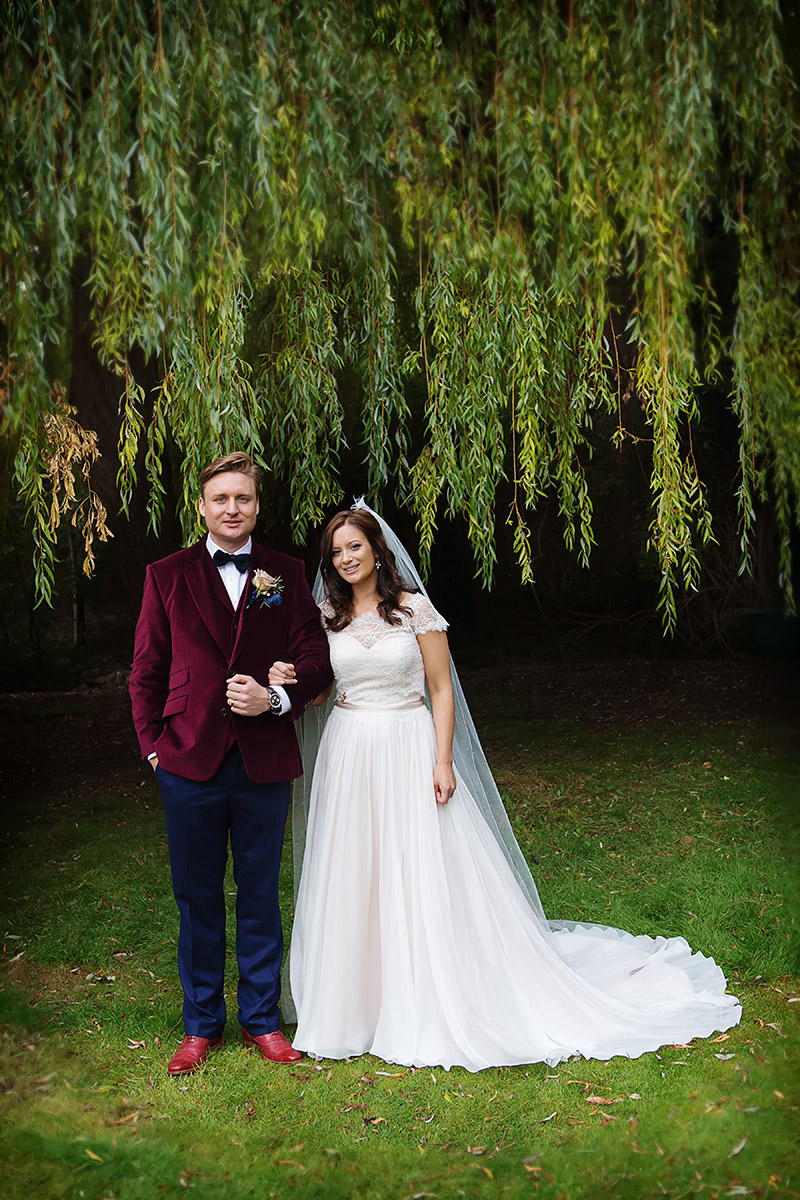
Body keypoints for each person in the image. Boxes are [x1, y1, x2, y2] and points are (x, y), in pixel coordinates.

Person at [275, 502, 741, 1072]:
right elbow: (320, 693)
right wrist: (287, 677)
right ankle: (352, 1007)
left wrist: (443, 760)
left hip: (407, 743)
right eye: (336, 552)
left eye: (355, 547)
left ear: (377, 550)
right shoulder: (326, 618)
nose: (346, 558)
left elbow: (441, 690)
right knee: (353, 871)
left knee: (419, 867)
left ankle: (426, 996)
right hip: (349, 750)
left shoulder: (414, 610)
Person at [129, 451, 332, 1076]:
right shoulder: (166, 574)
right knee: (196, 896)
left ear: (257, 506)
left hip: (262, 758)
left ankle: (264, 1021)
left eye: (243, 498)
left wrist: (276, 698)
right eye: (221, 499)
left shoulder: (286, 574)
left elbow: (317, 660)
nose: (232, 508)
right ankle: (200, 1025)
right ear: (202, 506)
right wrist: (154, 747)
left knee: (261, 892)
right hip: (187, 759)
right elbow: (146, 672)